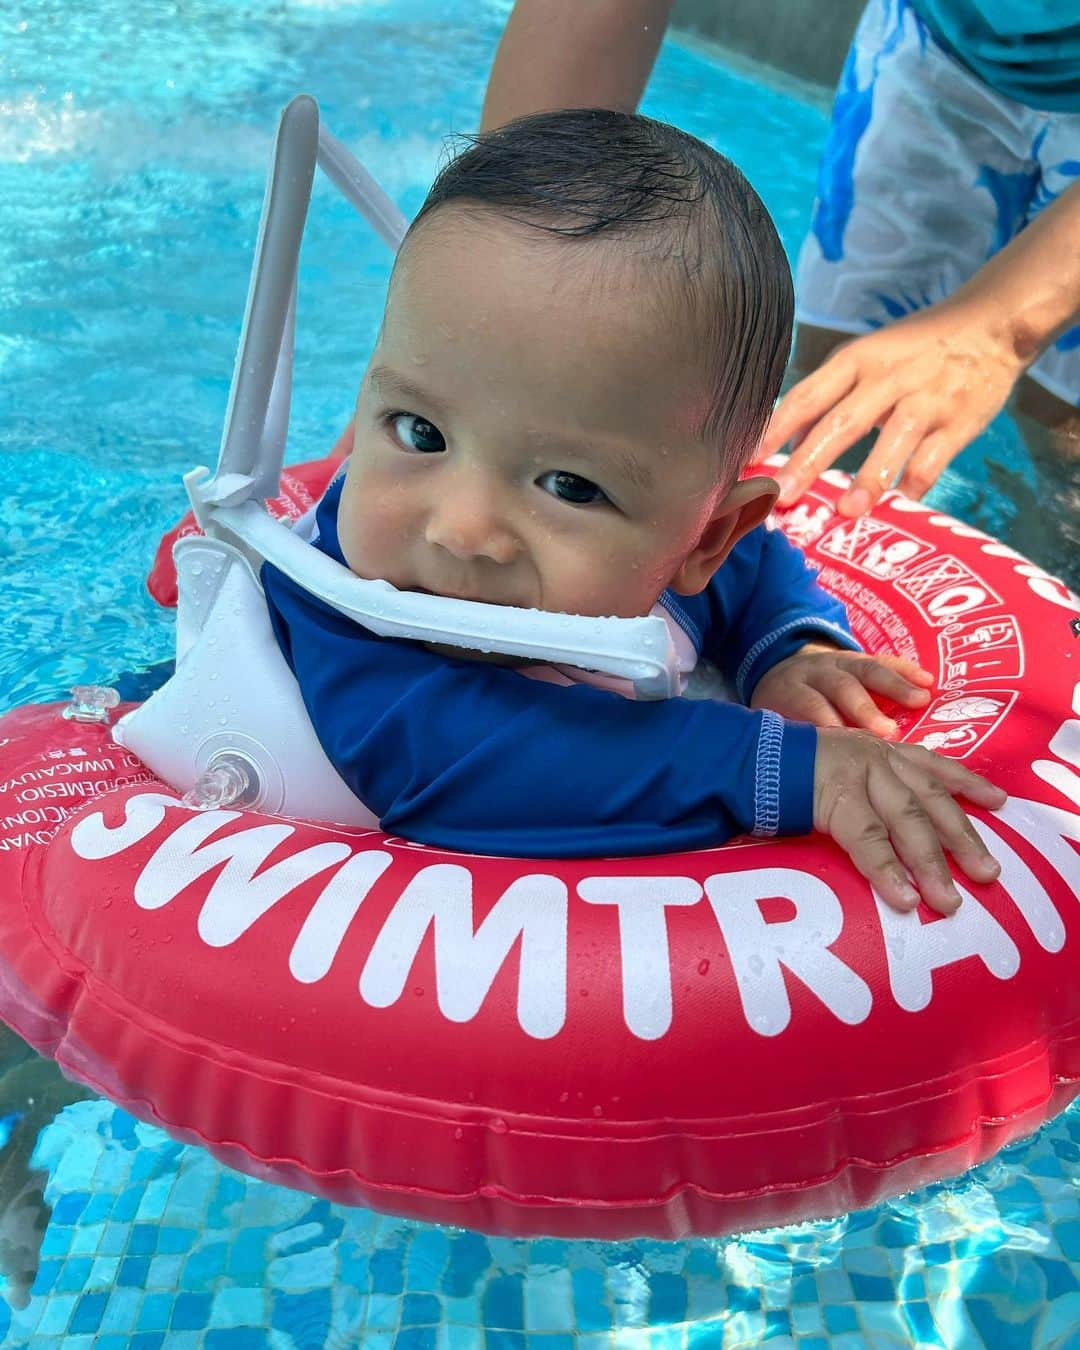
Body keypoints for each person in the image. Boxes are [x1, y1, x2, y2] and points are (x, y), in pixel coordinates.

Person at [262, 109, 1005, 916]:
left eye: (569, 487)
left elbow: (752, 566)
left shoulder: (676, 548)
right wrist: (786, 769)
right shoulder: (347, 625)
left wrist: (786, 646)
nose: (461, 528)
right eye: (420, 432)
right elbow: (487, 759)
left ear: (703, 536)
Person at [480, 0, 1080, 516]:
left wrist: (997, 332)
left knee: (1062, 450)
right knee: (834, 395)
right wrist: (503, 233)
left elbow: (995, 335)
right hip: (944, 37)